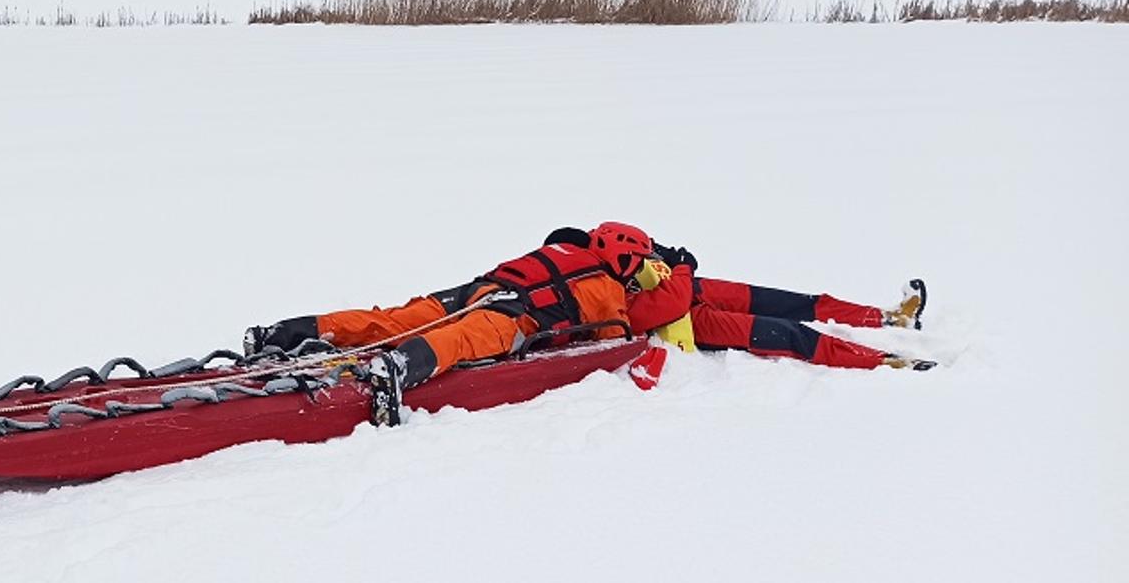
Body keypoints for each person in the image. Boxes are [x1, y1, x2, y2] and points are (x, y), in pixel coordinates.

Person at [244, 222, 695, 423]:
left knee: (390, 319)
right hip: (514, 315)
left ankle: (283, 333)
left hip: (474, 291)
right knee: (462, 339)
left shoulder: (561, 250)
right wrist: (676, 275)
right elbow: (630, 327)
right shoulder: (608, 289)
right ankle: (398, 368)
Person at [650, 243, 932, 370]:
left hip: (688, 287)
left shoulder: (607, 237)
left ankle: (892, 319)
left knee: (791, 303)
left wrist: (668, 256)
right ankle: (886, 361)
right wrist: (683, 267)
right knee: (790, 334)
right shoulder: (605, 283)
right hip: (681, 318)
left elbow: (641, 250)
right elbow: (655, 308)